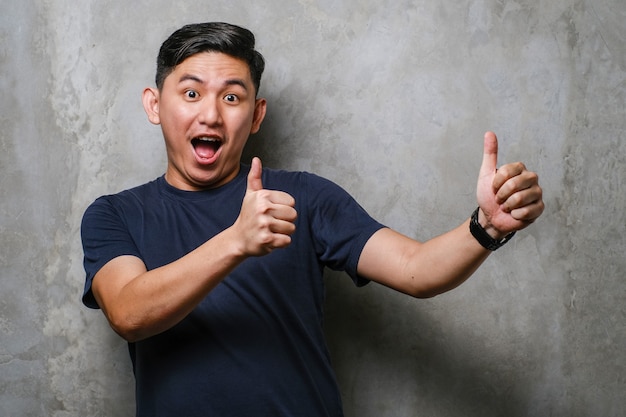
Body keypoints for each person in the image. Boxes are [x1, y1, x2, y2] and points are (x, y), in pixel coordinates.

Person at [81, 22, 544, 417]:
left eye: (232, 97)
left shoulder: (304, 196)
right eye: (190, 92)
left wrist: (487, 226)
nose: (210, 113)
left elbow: (416, 269)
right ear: (154, 105)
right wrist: (236, 241)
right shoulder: (114, 215)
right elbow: (128, 312)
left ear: (256, 114)